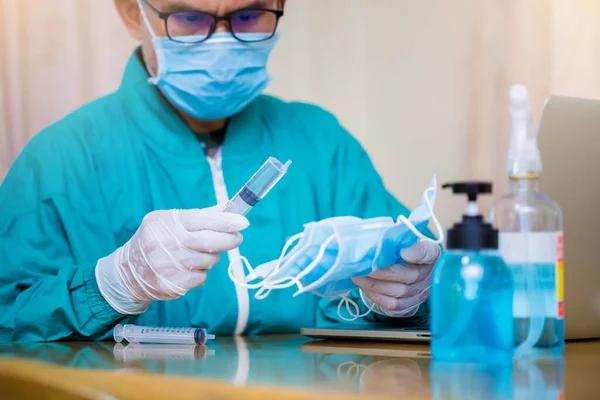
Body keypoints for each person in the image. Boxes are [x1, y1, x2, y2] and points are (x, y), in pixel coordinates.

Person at [0, 0, 441, 342]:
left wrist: (405, 300)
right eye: (190, 18)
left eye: (249, 15)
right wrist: (111, 285)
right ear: (133, 14)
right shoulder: (62, 159)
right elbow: (8, 320)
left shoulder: (319, 143)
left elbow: (425, 288)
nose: (222, 42)